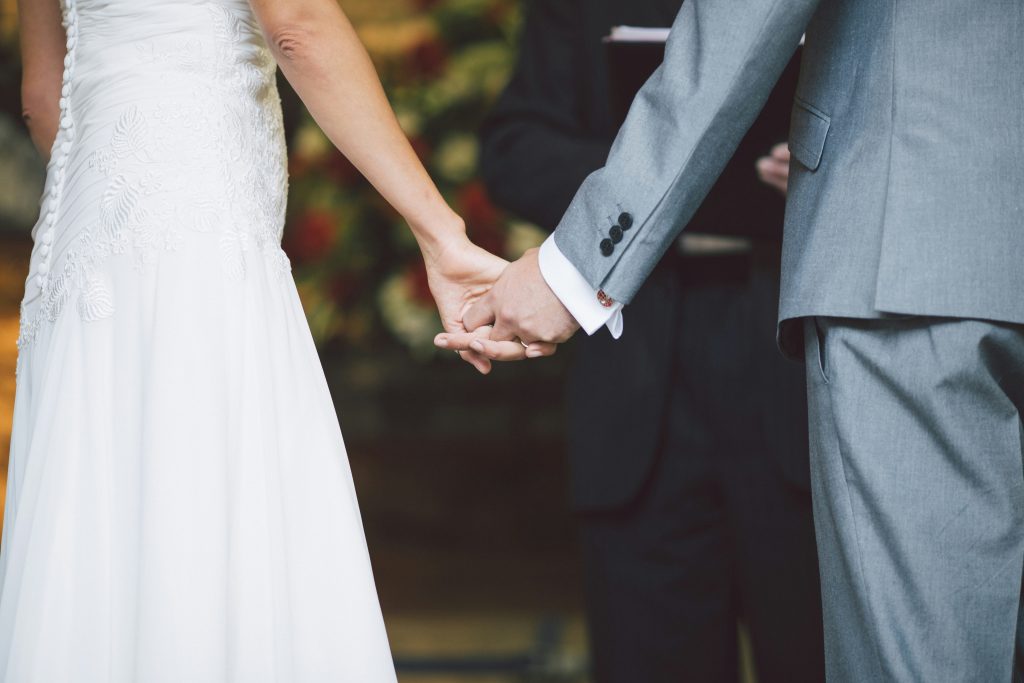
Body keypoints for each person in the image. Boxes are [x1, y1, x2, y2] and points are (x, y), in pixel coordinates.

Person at [441, 0, 1024, 680]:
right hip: (656, 376)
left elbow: (739, 32)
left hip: (885, 281)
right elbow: (515, 143)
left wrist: (573, 272)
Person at [2, 0, 518, 678]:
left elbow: (43, 96)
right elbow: (298, 23)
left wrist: (118, 195)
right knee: (208, 501)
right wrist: (440, 234)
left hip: (81, 243)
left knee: (103, 516)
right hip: (196, 235)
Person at [476, 1, 822, 680]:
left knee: (815, 647)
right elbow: (513, 147)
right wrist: (674, 178)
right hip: (636, 370)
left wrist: (822, 168)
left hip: (790, 358)